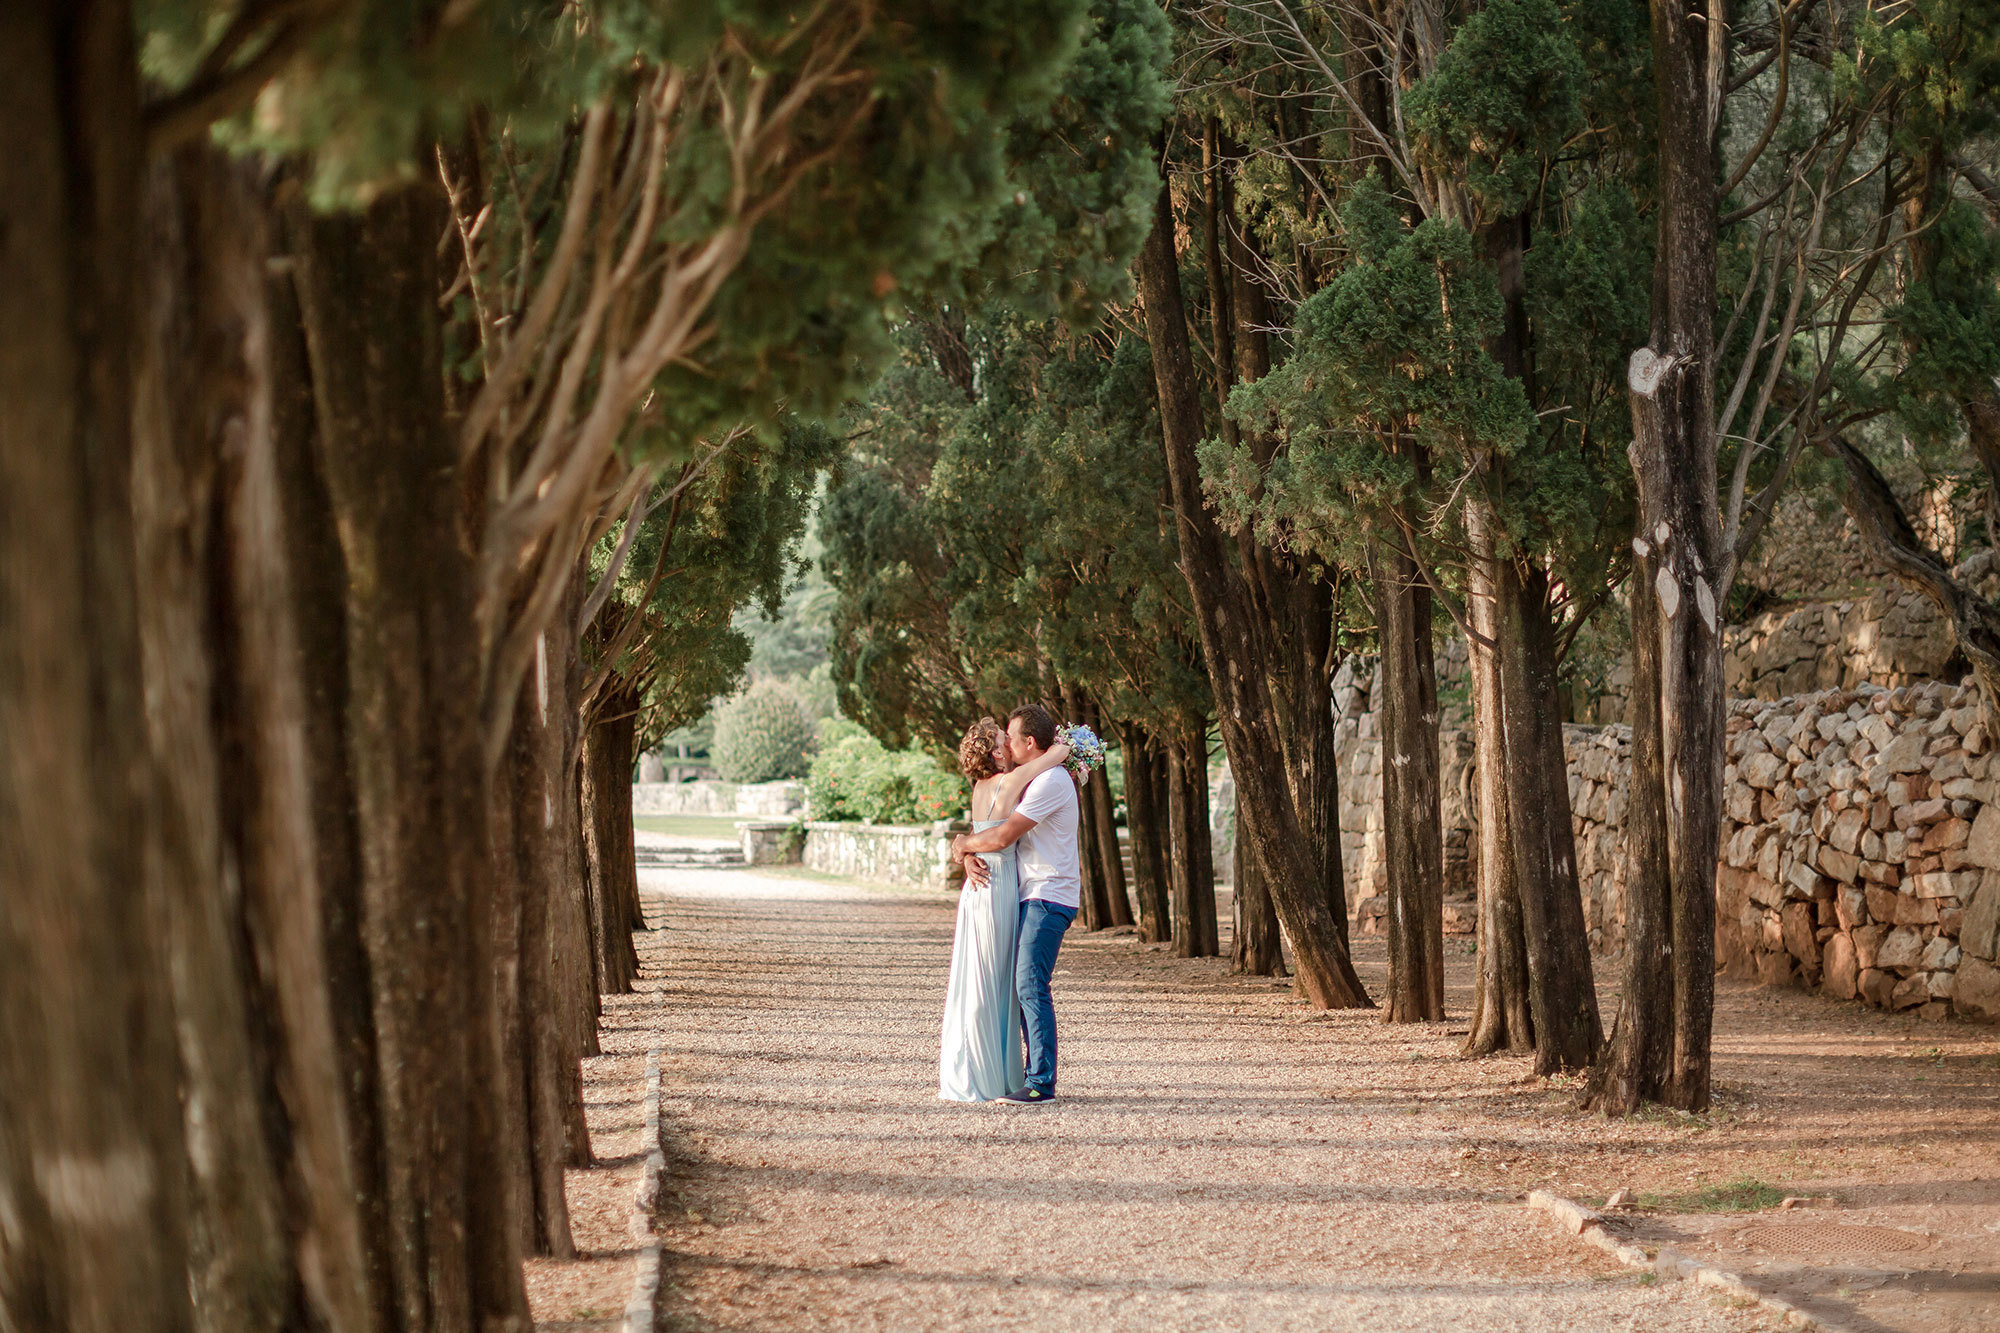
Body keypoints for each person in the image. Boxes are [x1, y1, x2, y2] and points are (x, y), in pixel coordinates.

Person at [950, 703, 1079, 1105]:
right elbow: (991, 829)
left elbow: (1004, 835)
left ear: (1030, 742)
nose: (1007, 744)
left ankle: (1040, 1083)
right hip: (1018, 889)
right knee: (1008, 983)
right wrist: (967, 851)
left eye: (1011, 737)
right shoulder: (1027, 779)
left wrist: (963, 845)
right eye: (1001, 739)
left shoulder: (1048, 781)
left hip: (1048, 893)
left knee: (1027, 983)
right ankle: (1015, 1075)